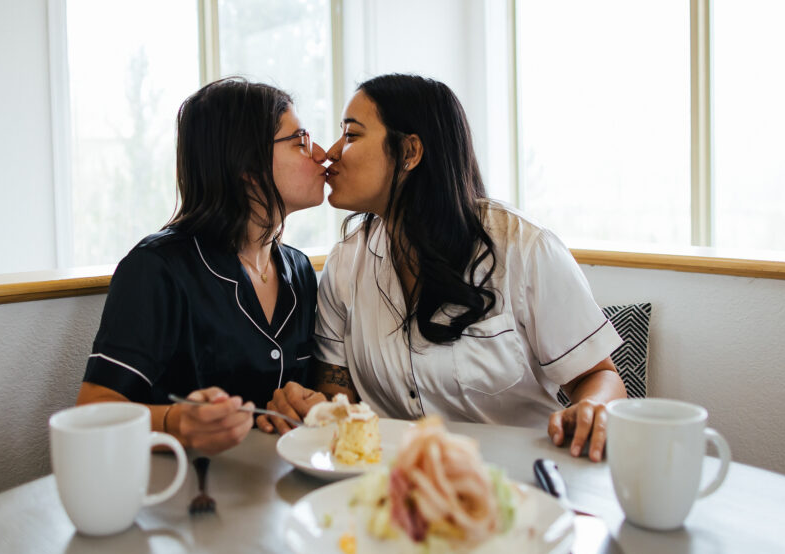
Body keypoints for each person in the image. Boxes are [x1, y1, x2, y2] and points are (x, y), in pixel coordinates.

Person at [259, 74, 626, 462]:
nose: (331, 152)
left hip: (521, 482)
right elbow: (339, 396)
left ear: (410, 152)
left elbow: (598, 376)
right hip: (396, 488)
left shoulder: (524, 248)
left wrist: (595, 407)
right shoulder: (346, 263)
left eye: (351, 136)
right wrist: (313, 405)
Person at [77, 77, 328, 455]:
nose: (322, 153)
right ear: (247, 164)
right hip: (184, 494)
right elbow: (92, 414)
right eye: (300, 142)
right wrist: (176, 423)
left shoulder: (300, 271)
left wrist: (303, 402)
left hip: (281, 495)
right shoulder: (157, 268)